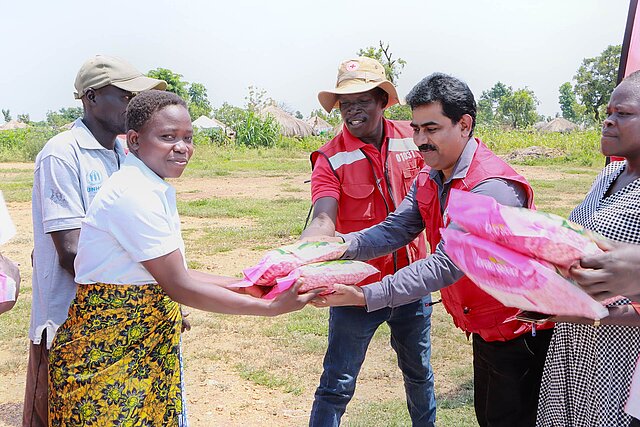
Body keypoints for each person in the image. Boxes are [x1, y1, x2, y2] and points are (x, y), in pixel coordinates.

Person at [48, 90, 322, 426]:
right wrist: (268, 306)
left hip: (137, 351)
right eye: (167, 137)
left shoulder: (148, 185)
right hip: (109, 359)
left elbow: (177, 273)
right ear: (134, 140)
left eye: (187, 138)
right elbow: (179, 285)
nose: (182, 147)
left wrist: (254, 284)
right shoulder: (133, 194)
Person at [314, 73, 554, 427]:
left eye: (432, 129)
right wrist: (343, 245)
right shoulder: (432, 174)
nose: (420, 141)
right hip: (487, 326)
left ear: (464, 125)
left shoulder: (490, 188)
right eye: (416, 130)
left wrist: (365, 296)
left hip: (520, 332)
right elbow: (398, 226)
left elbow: (444, 264)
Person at [24, 55, 166, 427]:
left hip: (117, 318)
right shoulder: (62, 154)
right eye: (125, 96)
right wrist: (160, 284)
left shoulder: (123, 153)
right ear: (90, 97)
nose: (134, 106)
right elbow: (71, 251)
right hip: (70, 320)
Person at [301, 56, 435, 427]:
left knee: (419, 375)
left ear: (382, 100)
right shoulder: (330, 158)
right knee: (337, 384)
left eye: (362, 100)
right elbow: (323, 218)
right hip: (353, 291)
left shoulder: (416, 139)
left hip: (412, 283)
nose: (353, 110)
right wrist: (303, 254)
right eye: (346, 104)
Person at [536, 72, 640, 427]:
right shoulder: (607, 176)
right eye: (608, 111)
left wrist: (597, 314)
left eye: (623, 113)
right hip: (572, 343)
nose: (609, 119)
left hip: (621, 355)